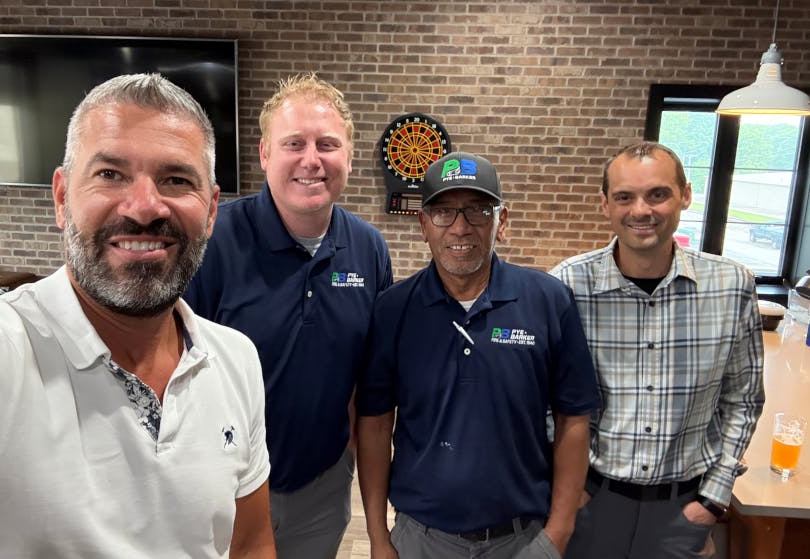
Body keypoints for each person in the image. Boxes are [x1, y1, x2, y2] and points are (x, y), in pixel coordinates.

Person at [0, 74, 275, 558]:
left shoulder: (236, 360)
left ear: (211, 211)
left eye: (176, 179)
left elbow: (250, 543)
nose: (146, 207)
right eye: (110, 174)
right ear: (63, 197)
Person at [184, 72, 392, 558]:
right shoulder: (213, 241)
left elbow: (369, 378)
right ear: (264, 154)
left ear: (350, 156)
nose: (311, 160)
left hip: (319, 488)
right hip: (222, 486)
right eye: (294, 143)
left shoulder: (369, 249)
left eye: (328, 144)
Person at [356, 151, 600, 559]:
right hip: (421, 539)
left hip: (521, 539)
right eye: (444, 212)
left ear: (501, 221)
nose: (460, 227)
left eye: (478, 211)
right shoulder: (393, 309)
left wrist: (558, 532)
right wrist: (379, 537)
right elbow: (376, 424)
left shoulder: (548, 301)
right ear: (423, 225)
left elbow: (574, 416)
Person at [550, 141, 765, 559]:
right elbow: (541, 399)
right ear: (605, 204)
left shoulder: (732, 286)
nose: (641, 211)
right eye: (624, 197)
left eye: (658, 194)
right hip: (591, 500)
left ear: (685, 194)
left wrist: (713, 498)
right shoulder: (567, 286)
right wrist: (566, 490)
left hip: (682, 510)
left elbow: (743, 400)